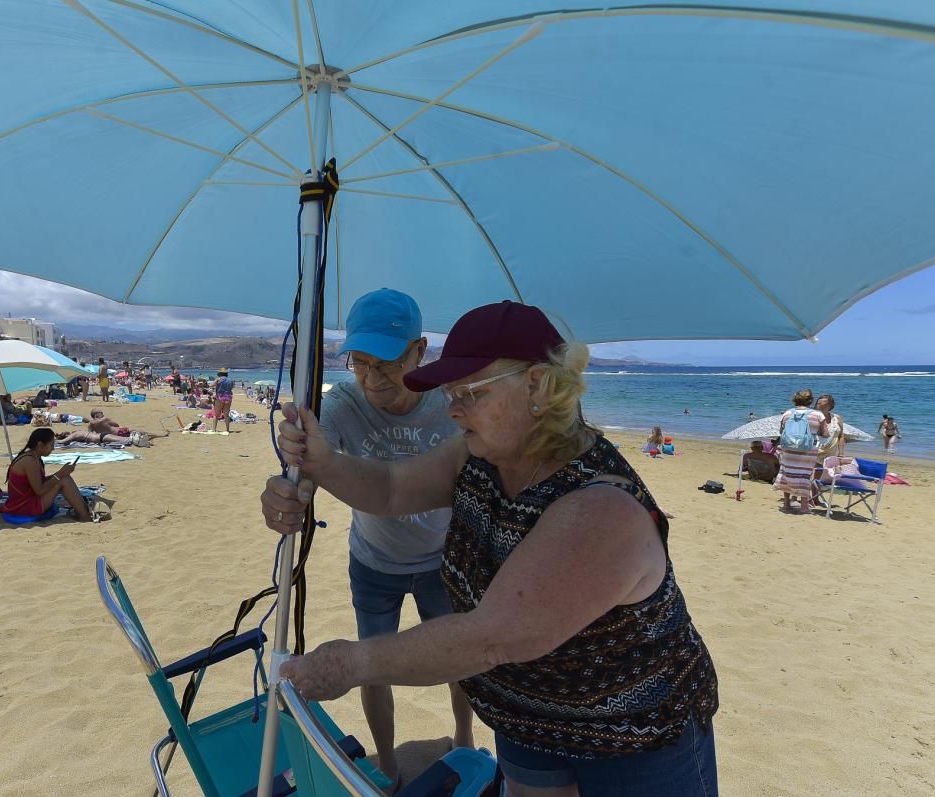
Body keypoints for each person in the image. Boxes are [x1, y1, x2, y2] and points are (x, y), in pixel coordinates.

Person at [261, 300, 718, 796]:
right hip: (526, 717)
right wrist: (322, 464)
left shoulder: (599, 508)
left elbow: (491, 637)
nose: (452, 408)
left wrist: (348, 664)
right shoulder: (479, 454)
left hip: (633, 737)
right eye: (451, 393)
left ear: (538, 385)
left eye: (469, 393)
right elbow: (391, 488)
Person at [257, 288, 475, 785]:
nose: (373, 379)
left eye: (388, 363)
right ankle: (390, 764)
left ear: (420, 351)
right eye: (360, 362)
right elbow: (313, 466)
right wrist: (288, 492)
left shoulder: (450, 404)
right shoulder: (341, 406)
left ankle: (463, 738)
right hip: (374, 560)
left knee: (459, 657)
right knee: (372, 665)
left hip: (444, 557)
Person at [6, 428, 90, 520]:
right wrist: (60, 474)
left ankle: (84, 511)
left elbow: (38, 482)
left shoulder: (33, 456)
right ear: (40, 445)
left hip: (25, 501)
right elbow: (39, 490)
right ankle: (84, 516)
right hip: (24, 506)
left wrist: (61, 473)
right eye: (51, 445)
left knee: (64, 477)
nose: (53, 448)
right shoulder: (30, 461)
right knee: (64, 480)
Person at [772, 389, 827, 514]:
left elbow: (782, 432)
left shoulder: (787, 414)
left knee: (787, 473)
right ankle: (803, 506)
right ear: (811, 401)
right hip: (808, 449)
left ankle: (786, 504)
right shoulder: (818, 415)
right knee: (804, 475)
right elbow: (825, 433)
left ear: (795, 400)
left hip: (788, 448)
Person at [815, 394, 845, 461]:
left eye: (825, 402)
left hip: (831, 455)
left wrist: (841, 453)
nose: (821, 404)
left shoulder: (837, 418)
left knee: (829, 471)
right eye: (819, 403)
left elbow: (841, 436)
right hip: (815, 454)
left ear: (830, 405)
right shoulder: (812, 418)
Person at [211, 367, 234, 432]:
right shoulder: (230, 380)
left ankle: (214, 429)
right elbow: (231, 387)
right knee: (226, 415)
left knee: (216, 414)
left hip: (220, 397)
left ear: (220, 373)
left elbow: (211, 385)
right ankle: (227, 429)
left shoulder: (218, 379)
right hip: (228, 397)